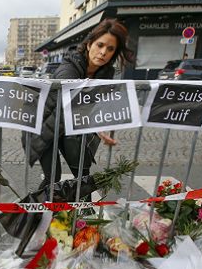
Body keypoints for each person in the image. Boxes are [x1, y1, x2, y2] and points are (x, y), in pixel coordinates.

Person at [23, 18, 134, 189]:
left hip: (67, 129)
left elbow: (94, 106)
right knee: (52, 179)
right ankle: (28, 215)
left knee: (82, 176)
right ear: (90, 44)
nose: (103, 52)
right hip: (42, 126)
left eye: (110, 49)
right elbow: (71, 104)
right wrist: (96, 126)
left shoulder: (105, 73)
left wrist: (100, 126)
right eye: (100, 45)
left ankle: (80, 215)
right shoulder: (69, 68)